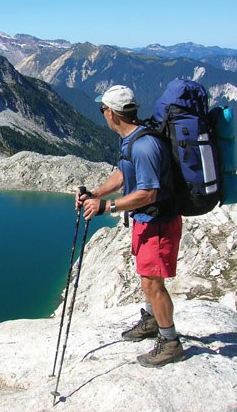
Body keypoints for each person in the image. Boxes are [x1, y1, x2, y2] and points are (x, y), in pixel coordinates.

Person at [76, 84, 184, 367]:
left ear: (111, 113)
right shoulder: (131, 139)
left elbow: (149, 193)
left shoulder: (145, 146)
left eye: (102, 109)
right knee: (147, 278)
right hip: (145, 220)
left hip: (158, 222)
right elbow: (124, 174)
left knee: (153, 282)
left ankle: (170, 342)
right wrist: (96, 194)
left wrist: (108, 207)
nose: (102, 114)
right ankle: (152, 321)